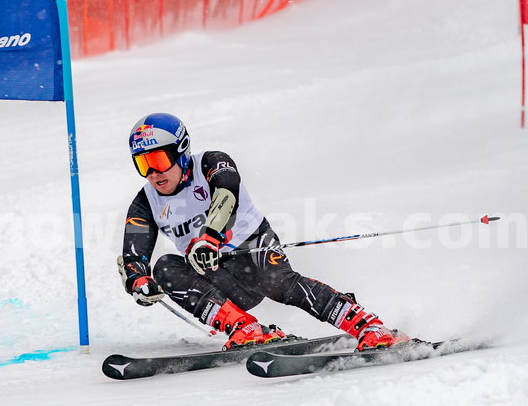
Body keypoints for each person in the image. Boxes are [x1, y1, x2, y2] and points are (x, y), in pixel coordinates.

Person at [117, 112, 404, 351]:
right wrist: (138, 280)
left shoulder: (211, 163)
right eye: (143, 164)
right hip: (218, 278)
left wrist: (210, 238)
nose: (154, 173)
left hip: (253, 249)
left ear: (181, 152)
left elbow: (227, 196)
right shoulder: (146, 202)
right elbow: (134, 252)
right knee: (165, 266)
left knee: (278, 282)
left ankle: (369, 326)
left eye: (158, 161)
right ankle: (245, 328)